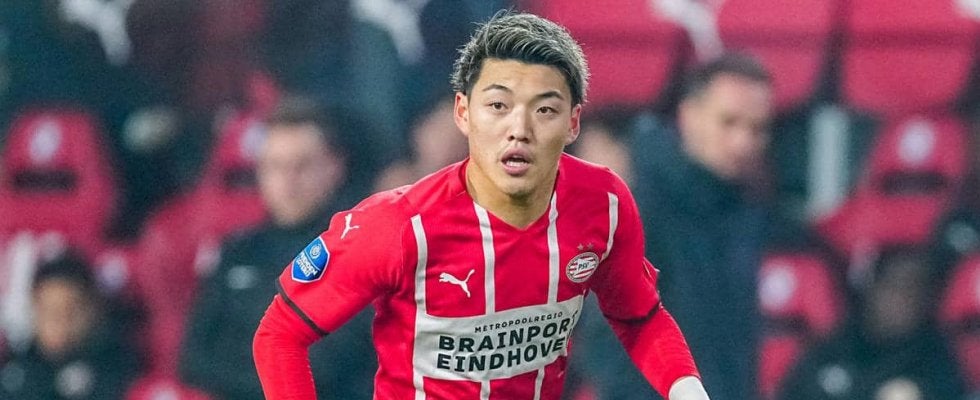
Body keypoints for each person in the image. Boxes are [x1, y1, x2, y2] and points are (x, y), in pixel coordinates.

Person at [253, 11, 710, 400]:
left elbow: (640, 317)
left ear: (573, 123)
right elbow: (280, 335)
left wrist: (688, 390)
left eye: (545, 110)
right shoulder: (399, 224)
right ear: (463, 114)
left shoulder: (603, 203)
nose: (519, 129)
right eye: (498, 106)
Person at [578, 53, 775, 400]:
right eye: (728, 122)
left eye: (757, 128)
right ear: (689, 116)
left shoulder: (747, 213)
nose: (743, 142)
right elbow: (606, 341)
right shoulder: (638, 209)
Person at [178, 96, 376, 399]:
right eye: (275, 166)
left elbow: (329, 367)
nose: (288, 180)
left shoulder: (361, 251)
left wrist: (240, 369)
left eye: (302, 165)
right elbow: (194, 358)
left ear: (335, 167)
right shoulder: (236, 251)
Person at [777, 246, 966, 399]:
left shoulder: (938, 362)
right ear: (872, 287)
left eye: (914, 289)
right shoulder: (830, 349)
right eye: (893, 285)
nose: (902, 298)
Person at [0, 251, 140, 399]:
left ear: (94, 310)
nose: (59, 321)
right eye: (49, 311)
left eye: (71, 311)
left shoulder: (118, 369)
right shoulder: (14, 370)